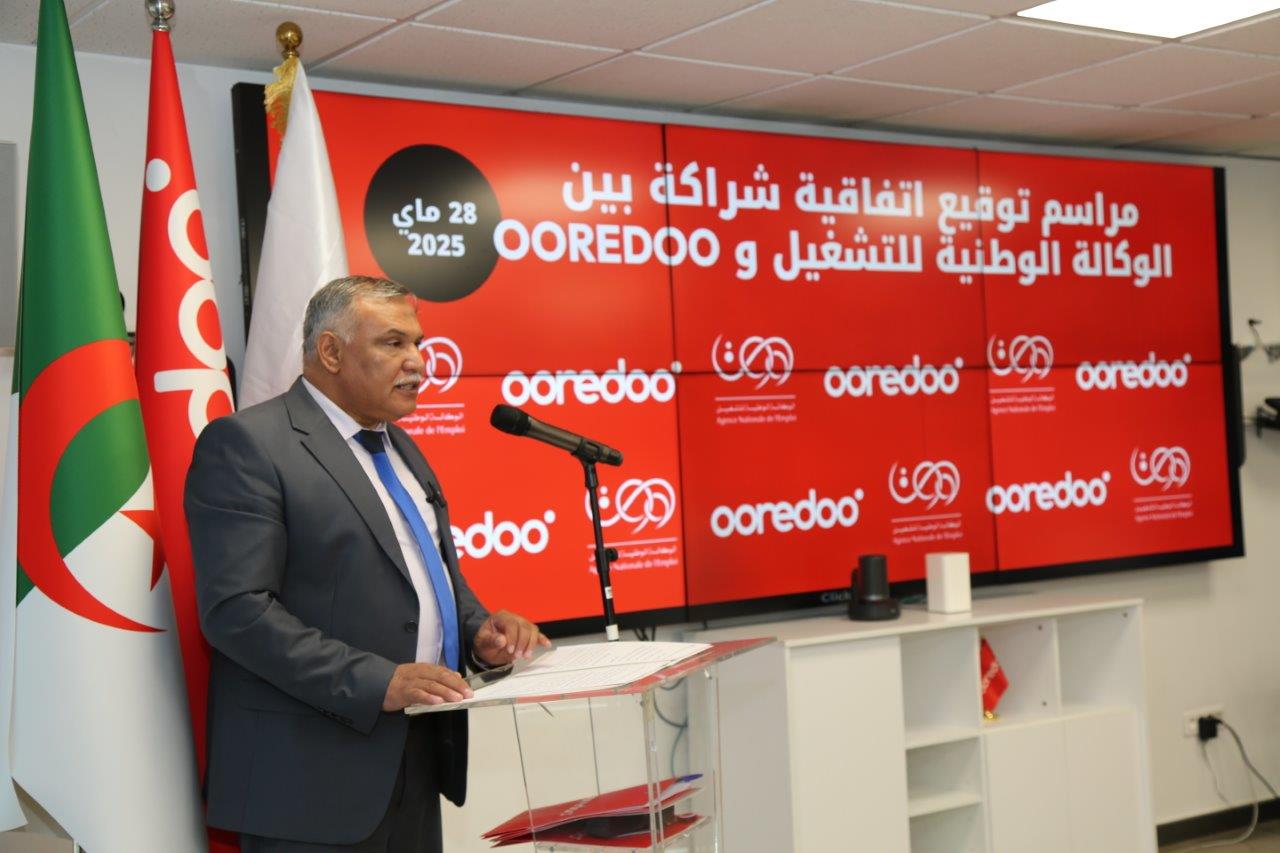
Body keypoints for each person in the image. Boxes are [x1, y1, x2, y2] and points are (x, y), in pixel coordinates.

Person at [186, 275, 550, 851]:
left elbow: (429, 573)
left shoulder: (400, 445)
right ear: (331, 352)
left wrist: (478, 631)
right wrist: (379, 681)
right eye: (393, 343)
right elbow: (238, 612)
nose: (418, 362)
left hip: (414, 760)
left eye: (418, 343)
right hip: (307, 783)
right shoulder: (248, 445)